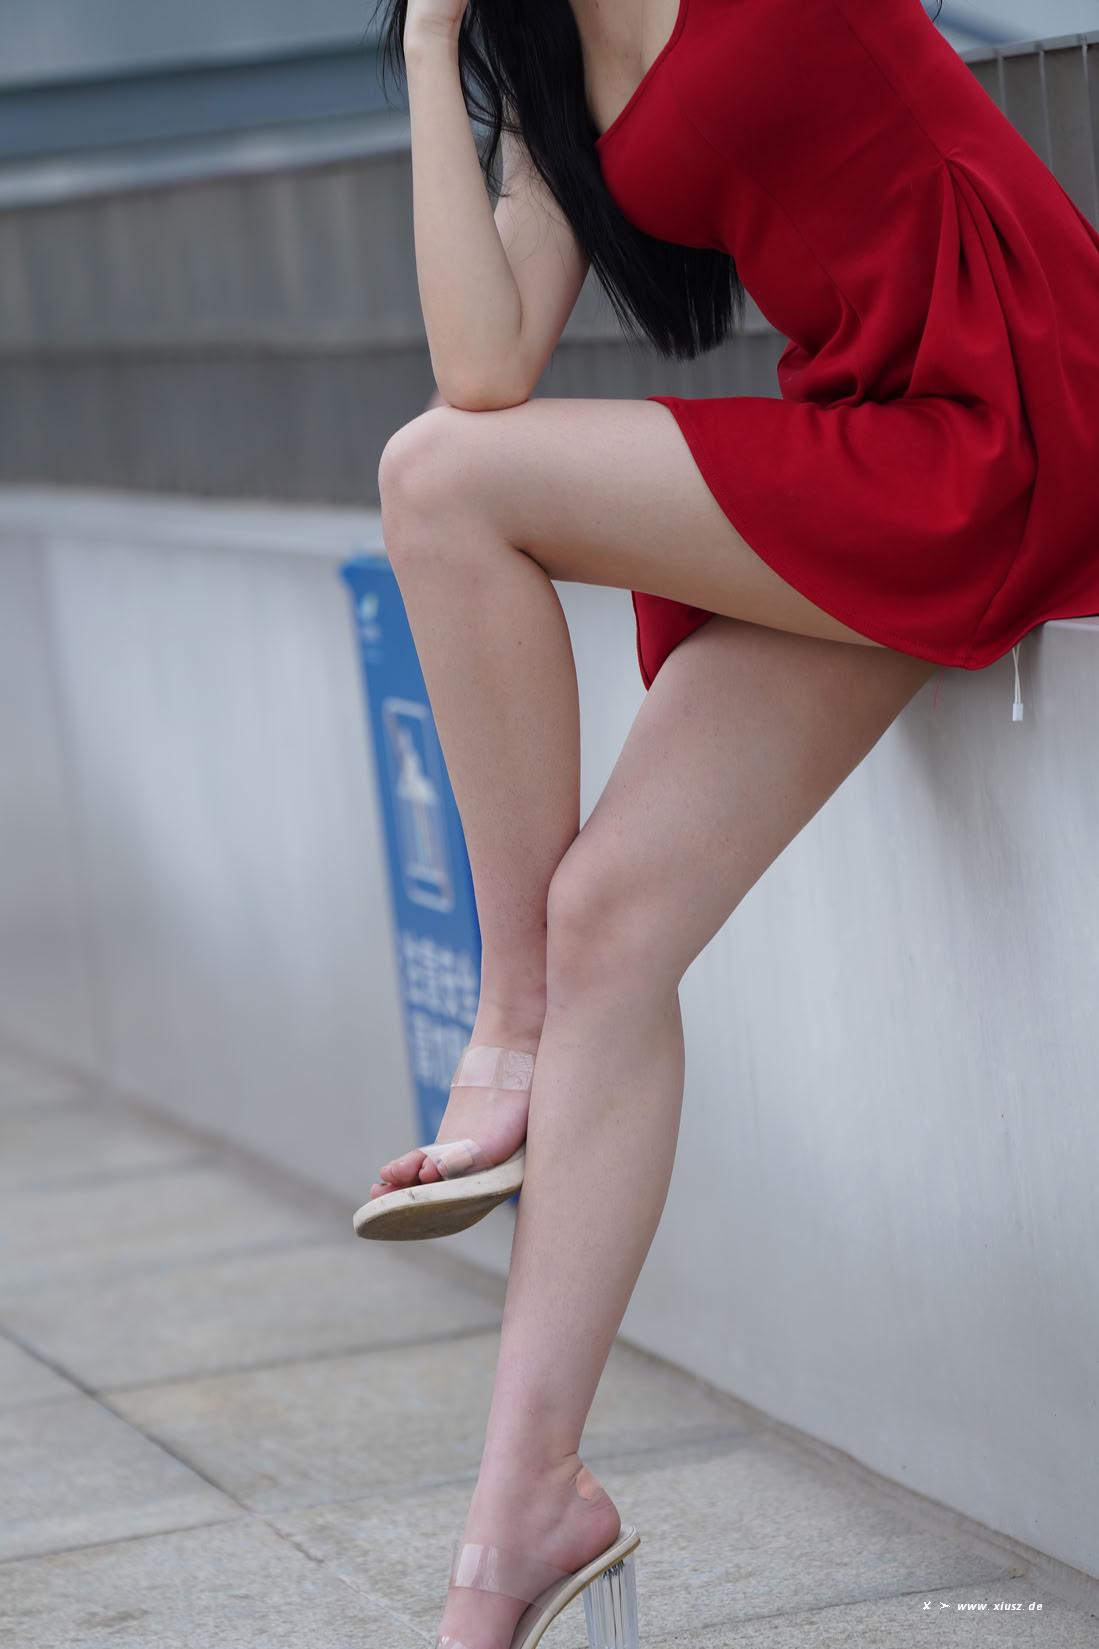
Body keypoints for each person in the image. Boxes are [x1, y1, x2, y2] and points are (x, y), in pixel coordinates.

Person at [353, 0, 1099, 1643]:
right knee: (610, 913)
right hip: (879, 433)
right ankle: (522, 1513)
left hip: (1017, 405)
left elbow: (461, 437)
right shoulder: (547, 59)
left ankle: (510, 1015)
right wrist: (427, 48)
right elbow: (485, 366)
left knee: (434, 482)